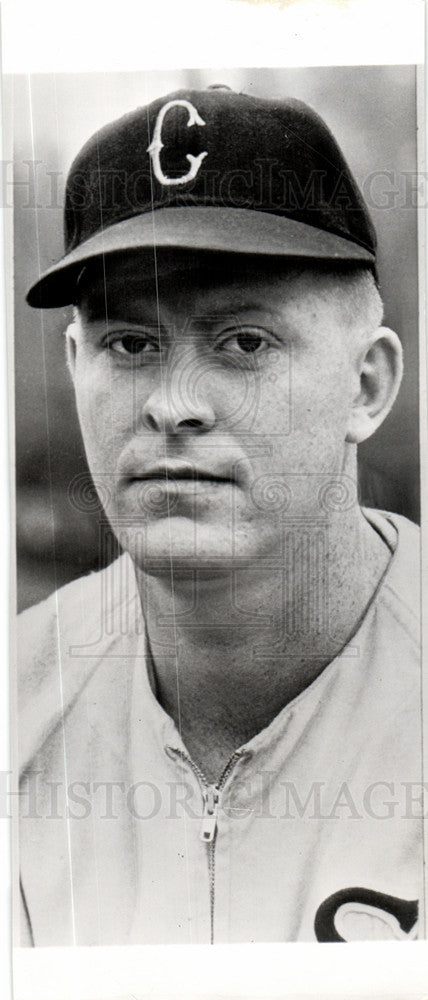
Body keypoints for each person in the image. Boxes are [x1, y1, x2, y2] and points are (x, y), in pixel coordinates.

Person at [17, 85, 422, 946]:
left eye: (245, 342)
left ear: (367, 385)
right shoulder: (17, 699)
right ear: (74, 363)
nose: (174, 405)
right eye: (132, 343)